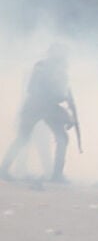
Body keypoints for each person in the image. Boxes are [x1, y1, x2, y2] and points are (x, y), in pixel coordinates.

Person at [3, 50, 76, 184]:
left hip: (36, 107)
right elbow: (50, 94)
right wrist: (65, 102)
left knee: (24, 138)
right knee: (60, 139)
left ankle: (4, 169)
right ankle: (57, 176)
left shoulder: (42, 67)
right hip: (42, 107)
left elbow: (35, 90)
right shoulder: (52, 71)